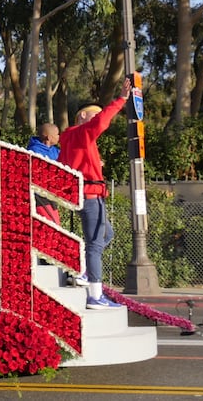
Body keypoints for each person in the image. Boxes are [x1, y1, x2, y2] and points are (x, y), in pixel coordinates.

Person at [58, 77, 132, 310]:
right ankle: (94, 295)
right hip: (90, 194)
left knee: (105, 235)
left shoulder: (69, 137)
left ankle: (84, 273)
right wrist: (121, 99)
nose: (97, 115)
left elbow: (65, 164)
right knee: (95, 245)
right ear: (81, 116)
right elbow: (101, 122)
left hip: (82, 192)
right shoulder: (83, 132)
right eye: (93, 113)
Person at [27, 123, 62, 225]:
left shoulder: (55, 150)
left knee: (55, 224)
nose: (59, 137)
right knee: (52, 224)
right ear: (49, 137)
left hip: (52, 194)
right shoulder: (34, 151)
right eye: (57, 134)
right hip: (40, 195)